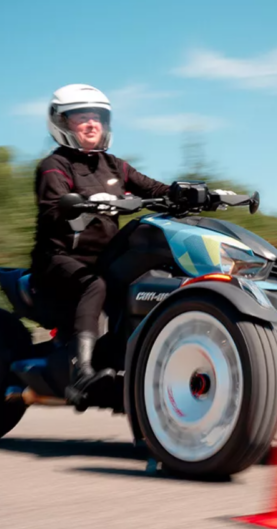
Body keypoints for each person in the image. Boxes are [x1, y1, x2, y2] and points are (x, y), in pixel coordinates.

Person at [30, 84, 170, 405]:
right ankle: (81, 374)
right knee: (94, 286)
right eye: (82, 117)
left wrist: (186, 192)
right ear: (62, 123)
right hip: (60, 260)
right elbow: (53, 211)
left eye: (97, 117)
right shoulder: (54, 166)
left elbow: (153, 188)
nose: (92, 124)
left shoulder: (114, 165)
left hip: (105, 258)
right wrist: (89, 203)